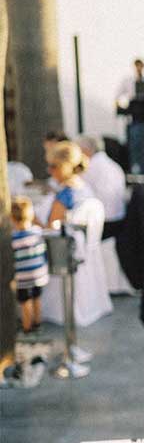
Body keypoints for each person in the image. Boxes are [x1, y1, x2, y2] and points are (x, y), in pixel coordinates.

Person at [11, 196, 50, 334]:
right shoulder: (38, 232)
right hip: (39, 274)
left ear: (12, 218)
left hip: (23, 277)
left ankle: (27, 328)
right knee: (36, 298)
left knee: (25, 302)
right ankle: (38, 324)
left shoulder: (13, 238)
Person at [76, 136, 127, 239]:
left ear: (85, 151)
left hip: (105, 222)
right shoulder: (112, 164)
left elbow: (76, 191)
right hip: (118, 218)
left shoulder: (90, 167)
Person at [42, 142, 95, 228]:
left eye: (53, 166)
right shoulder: (84, 188)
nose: (49, 170)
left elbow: (51, 229)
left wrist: (33, 220)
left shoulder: (65, 194)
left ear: (66, 166)